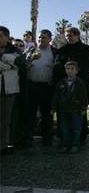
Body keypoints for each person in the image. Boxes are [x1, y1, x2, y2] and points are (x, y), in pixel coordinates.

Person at [55, 27, 89, 144]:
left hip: (80, 85)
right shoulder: (62, 50)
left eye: (71, 35)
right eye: (67, 36)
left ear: (77, 35)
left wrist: (75, 76)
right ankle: (64, 137)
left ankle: (80, 137)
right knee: (64, 112)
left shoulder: (86, 49)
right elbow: (57, 66)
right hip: (65, 85)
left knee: (80, 112)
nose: (68, 38)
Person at [25, 29, 57, 146]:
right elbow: (24, 66)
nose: (40, 40)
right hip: (32, 85)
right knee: (30, 114)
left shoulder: (54, 52)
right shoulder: (30, 50)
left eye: (43, 38)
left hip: (46, 87)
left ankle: (47, 138)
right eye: (39, 38)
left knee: (47, 114)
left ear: (49, 39)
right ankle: (28, 138)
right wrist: (29, 60)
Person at [52, 61, 88, 153]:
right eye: (68, 69)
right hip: (64, 109)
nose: (70, 71)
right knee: (65, 128)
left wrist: (83, 108)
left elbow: (84, 97)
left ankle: (75, 144)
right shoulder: (61, 83)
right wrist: (54, 107)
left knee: (76, 128)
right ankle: (65, 144)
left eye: (72, 69)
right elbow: (56, 96)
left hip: (76, 109)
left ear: (77, 70)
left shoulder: (80, 83)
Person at [0, 26, 25, 154]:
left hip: (8, 88)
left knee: (6, 119)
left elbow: (21, 63)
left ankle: (4, 144)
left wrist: (7, 64)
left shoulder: (15, 50)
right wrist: (8, 65)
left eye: (0, 36)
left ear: (6, 37)